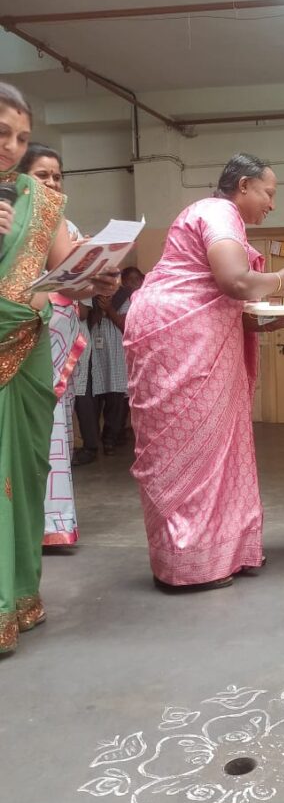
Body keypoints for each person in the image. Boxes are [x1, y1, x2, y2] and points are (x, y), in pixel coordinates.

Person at [123, 153, 284, 592]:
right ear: (243, 185)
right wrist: (283, 280)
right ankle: (187, 563)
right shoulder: (217, 212)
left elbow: (225, 302)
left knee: (223, 446)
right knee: (191, 447)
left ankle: (227, 550)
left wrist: (272, 322)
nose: (272, 204)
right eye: (268, 193)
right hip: (179, 340)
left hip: (195, 335)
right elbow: (234, 282)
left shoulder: (222, 219)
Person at [0, 82, 119, 655]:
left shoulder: (41, 201)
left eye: (21, 137)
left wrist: (100, 275)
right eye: (2, 133)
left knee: (22, 476)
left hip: (26, 351)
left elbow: (65, 273)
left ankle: (19, 596)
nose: (12, 146)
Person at [16, 143, 86, 545]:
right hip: (19, 336)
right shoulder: (10, 220)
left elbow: (74, 284)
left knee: (54, 428)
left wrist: (96, 268)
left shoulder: (65, 224)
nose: (52, 182)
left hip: (56, 340)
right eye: (42, 174)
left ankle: (53, 523)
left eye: (57, 176)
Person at [73, 265, 143, 463]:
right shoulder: (90, 297)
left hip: (117, 355)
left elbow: (126, 325)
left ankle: (110, 439)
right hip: (95, 355)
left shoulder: (125, 296)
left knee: (116, 399)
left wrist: (109, 309)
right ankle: (93, 442)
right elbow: (87, 321)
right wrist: (99, 310)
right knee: (94, 399)